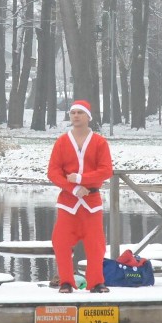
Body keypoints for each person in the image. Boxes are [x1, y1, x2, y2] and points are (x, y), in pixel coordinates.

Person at [48, 100, 113, 293]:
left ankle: (96, 282)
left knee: (96, 244)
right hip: (68, 201)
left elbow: (106, 170)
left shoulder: (100, 142)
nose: (76, 116)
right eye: (73, 113)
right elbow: (53, 172)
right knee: (60, 242)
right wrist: (73, 187)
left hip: (91, 201)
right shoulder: (61, 142)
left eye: (80, 113)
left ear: (88, 117)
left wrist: (82, 178)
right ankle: (66, 281)